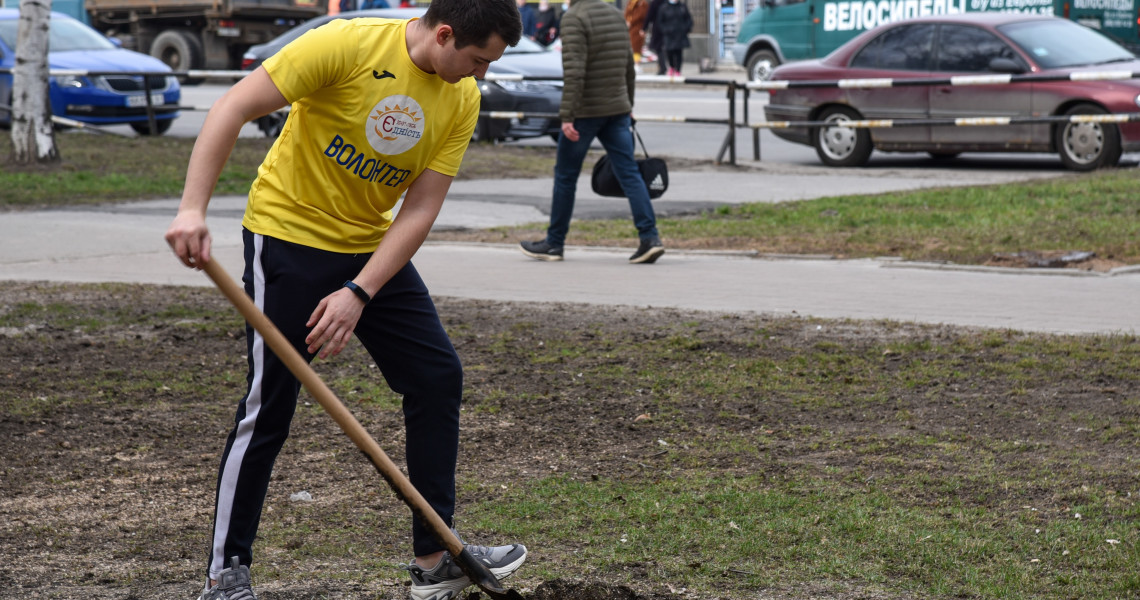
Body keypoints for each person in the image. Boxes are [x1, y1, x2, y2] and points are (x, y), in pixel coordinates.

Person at [163, 2, 527, 599]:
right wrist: (191, 209)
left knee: (436, 376)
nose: (482, 73)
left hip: (366, 249)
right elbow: (232, 106)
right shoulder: (346, 46)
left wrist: (360, 290)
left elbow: (421, 206)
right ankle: (225, 574)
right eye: (478, 58)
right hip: (287, 236)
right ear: (443, 34)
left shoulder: (461, 96)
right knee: (270, 402)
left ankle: (434, 560)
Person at [519, 0, 664, 265]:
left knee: (565, 176)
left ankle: (555, 242)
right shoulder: (615, 15)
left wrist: (567, 116)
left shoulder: (575, 17)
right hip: (618, 109)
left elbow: (574, 72)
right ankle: (650, 238)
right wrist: (629, 104)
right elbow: (628, 67)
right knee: (630, 174)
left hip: (585, 114)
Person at [654, 0, 692, 76]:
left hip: (680, 34)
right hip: (669, 34)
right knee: (669, 52)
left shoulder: (682, 7)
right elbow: (660, 21)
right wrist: (665, 30)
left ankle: (678, 69)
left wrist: (685, 29)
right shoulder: (664, 7)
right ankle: (671, 67)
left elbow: (688, 19)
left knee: (679, 53)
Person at [642, 0, 667, 75]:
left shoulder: (655, 3)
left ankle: (662, 67)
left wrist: (644, 28)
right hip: (668, 27)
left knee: (658, 48)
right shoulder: (666, 2)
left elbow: (649, 16)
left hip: (658, 28)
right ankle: (669, 67)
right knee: (666, 48)